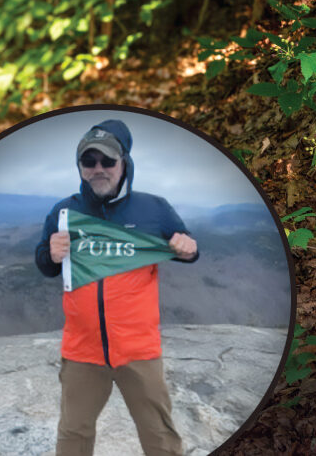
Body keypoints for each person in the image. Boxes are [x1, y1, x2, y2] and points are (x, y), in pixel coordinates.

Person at [34, 120, 199, 456]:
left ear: (125, 162)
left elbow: (187, 248)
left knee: (159, 436)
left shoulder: (154, 208)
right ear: (79, 167)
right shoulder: (64, 212)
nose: (98, 169)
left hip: (138, 348)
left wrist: (188, 248)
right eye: (88, 162)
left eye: (107, 161)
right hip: (82, 350)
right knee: (73, 434)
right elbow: (45, 265)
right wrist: (50, 255)